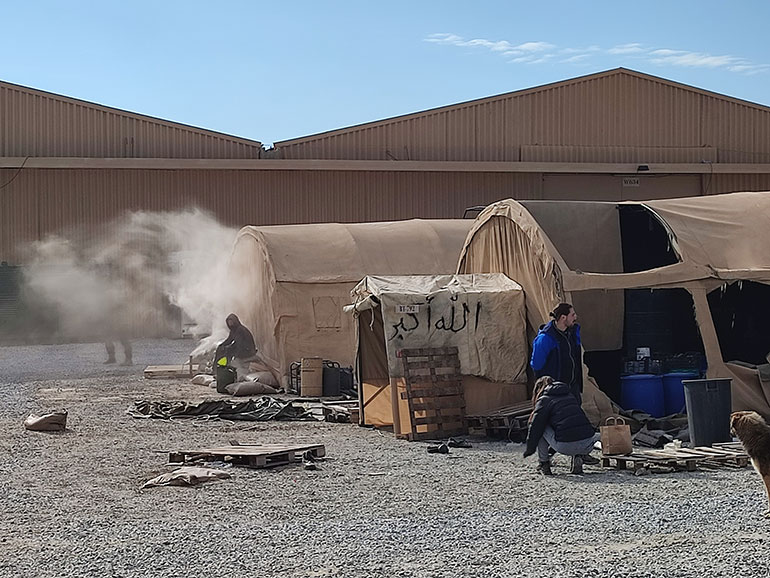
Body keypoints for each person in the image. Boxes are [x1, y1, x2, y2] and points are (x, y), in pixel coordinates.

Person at [523, 376, 600, 475]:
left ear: (538, 388)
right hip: (587, 445)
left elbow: (535, 427)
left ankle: (544, 463)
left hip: (565, 446)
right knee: (573, 425)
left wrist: (529, 449)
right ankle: (579, 457)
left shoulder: (544, 400)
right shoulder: (570, 396)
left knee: (541, 427)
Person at [530, 302, 583, 404]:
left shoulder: (572, 333)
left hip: (572, 389)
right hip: (554, 392)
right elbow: (537, 365)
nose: (575, 317)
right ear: (563, 317)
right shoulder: (546, 338)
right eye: (572, 315)